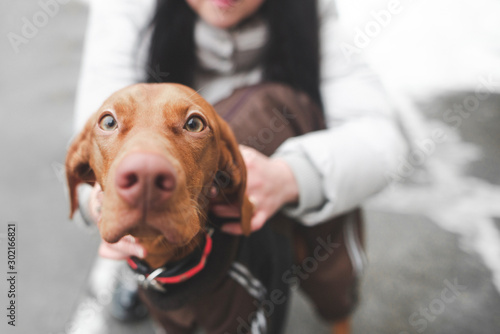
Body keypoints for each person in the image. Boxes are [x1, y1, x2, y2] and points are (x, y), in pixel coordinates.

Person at [73, 0, 409, 330]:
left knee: (327, 274)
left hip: (280, 154)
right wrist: (96, 202)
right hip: (181, 177)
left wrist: (292, 176)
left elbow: (381, 139)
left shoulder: (312, 13)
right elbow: (93, 128)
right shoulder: (127, 7)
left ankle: (338, 315)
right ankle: (149, 274)